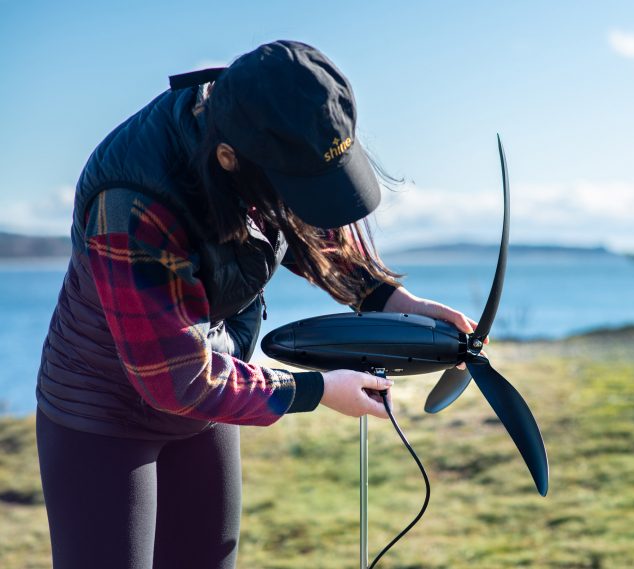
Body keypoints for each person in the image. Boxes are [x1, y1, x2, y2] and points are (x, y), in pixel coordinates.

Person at [35, 40, 480, 569]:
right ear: (228, 160)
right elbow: (174, 379)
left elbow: (311, 224)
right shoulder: (133, 202)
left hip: (207, 388)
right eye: (295, 188)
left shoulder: (275, 121)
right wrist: (317, 388)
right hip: (105, 410)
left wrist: (389, 297)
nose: (302, 205)